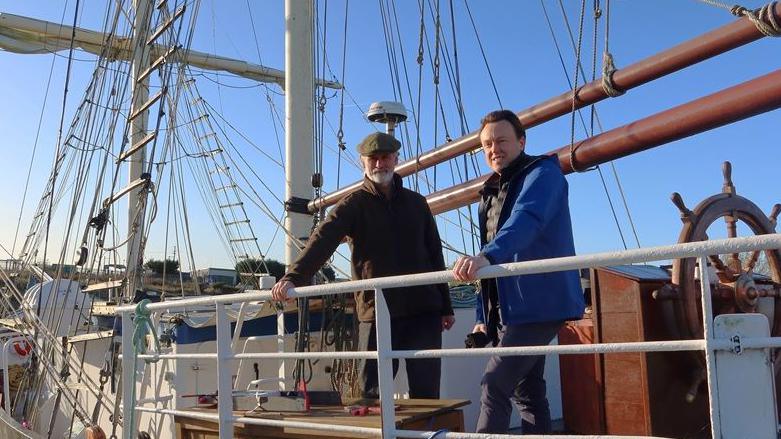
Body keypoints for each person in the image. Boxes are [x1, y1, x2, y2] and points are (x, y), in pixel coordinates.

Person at [271, 131, 455, 399]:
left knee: (426, 392)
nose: (380, 164)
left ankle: (426, 426)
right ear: (363, 162)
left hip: (423, 311)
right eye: (373, 159)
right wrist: (293, 277)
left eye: (386, 157)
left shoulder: (417, 203)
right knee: (372, 392)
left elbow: (435, 254)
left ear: (396, 159)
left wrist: (446, 306)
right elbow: (323, 240)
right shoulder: (353, 205)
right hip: (376, 310)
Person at [452, 110, 585, 433]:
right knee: (528, 393)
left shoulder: (544, 174)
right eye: (487, 145)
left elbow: (527, 219)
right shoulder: (491, 191)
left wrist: (487, 255)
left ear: (521, 141)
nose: (493, 149)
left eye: (501, 140)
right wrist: (483, 315)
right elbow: (489, 261)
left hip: (540, 303)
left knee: (495, 383)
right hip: (509, 309)